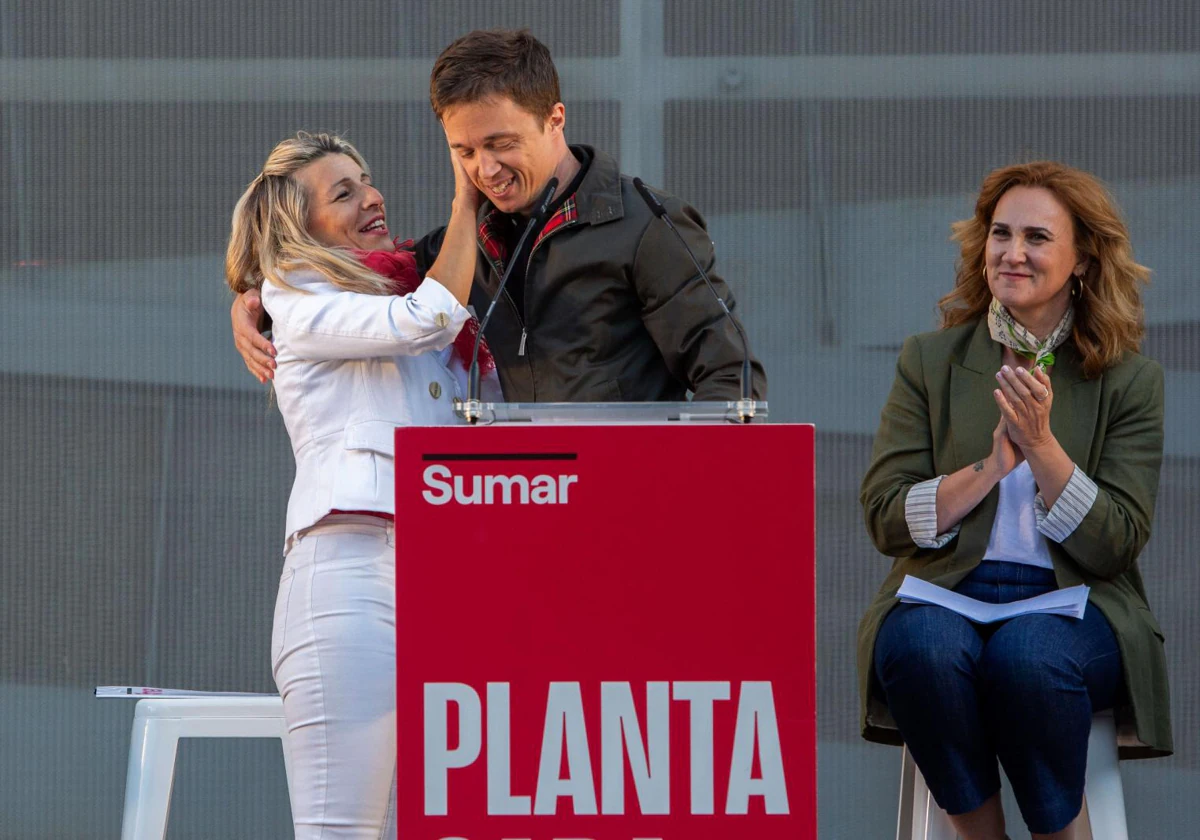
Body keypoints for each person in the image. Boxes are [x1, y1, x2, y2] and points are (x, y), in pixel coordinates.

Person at [857, 161, 1170, 839]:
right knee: (918, 650)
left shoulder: (1128, 381)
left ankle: (1064, 833)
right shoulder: (930, 360)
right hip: (950, 587)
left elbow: (1118, 540)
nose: (1012, 253)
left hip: (1075, 601)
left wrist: (1043, 450)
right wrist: (989, 467)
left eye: (1036, 237)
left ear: (1082, 259)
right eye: (1000, 234)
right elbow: (885, 513)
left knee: (1027, 661)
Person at [231, 28, 766, 403]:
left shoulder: (646, 224)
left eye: (500, 143)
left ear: (554, 118)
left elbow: (731, 375)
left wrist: (680, 493)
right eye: (463, 152)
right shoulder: (455, 252)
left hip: (627, 516)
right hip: (512, 522)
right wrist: (255, 302)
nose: (485, 169)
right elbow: (356, 290)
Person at [224, 130, 496, 838]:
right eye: (342, 192)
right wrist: (466, 201)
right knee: (341, 828)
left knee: (449, 821)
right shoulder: (298, 292)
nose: (371, 196)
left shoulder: (411, 288)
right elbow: (427, 318)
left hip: (457, 573)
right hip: (351, 567)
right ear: (297, 226)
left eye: (365, 181)